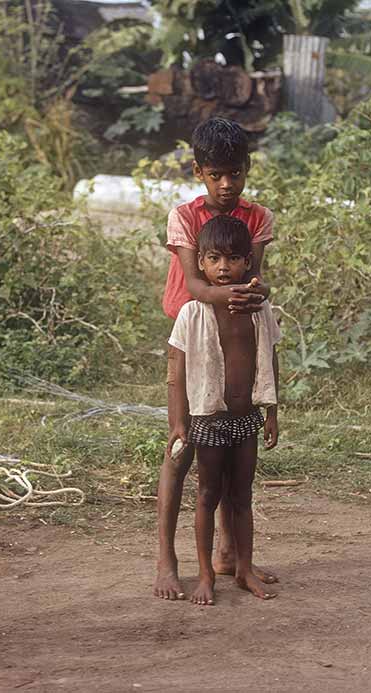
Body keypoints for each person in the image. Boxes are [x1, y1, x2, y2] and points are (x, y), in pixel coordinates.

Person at [155, 117, 277, 601]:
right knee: (181, 447)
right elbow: (199, 287)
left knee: (231, 453)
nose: (226, 185)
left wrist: (258, 292)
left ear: (247, 169)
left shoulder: (259, 217)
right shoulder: (183, 217)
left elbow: (255, 282)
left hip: (238, 338)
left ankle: (229, 556)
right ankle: (167, 558)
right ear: (198, 171)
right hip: (194, 333)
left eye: (235, 174)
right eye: (215, 175)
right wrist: (247, 293)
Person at [168, 216, 281, 605]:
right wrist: (179, 421)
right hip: (207, 419)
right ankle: (205, 574)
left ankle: (245, 568)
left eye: (233, 259)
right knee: (207, 495)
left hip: (246, 418)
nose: (223, 268)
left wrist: (272, 411)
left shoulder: (259, 310)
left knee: (243, 496)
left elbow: (270, 358)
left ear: (248, 262)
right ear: (200, 262)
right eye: (213, 259)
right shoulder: (192, 313)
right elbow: (176, 373)